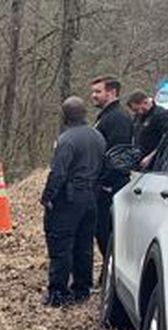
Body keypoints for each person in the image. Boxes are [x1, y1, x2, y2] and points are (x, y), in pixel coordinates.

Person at [41, 97, 106, 306]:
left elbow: (58, 172)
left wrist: (48, 196)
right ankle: (82, 288)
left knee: (61, 243)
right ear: (85, 113)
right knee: (84, 243)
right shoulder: (98, 136)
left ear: (65, 116)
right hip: (90, 197)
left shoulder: (66, 139)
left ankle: (58, 292)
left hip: (69, 198)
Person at [89, 75, 133, 259]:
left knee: (106, 230)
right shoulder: (106, 117)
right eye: (93, 92)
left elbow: (118, 154)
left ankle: (111, 271)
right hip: (101, 183)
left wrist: (106, 183)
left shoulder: (118, 118)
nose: (93, 95)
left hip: (111, 186)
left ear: (112, 92)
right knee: (100, 231)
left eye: (98, 91)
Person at [126, 90, 168, 169]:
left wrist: (151, 156)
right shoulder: (139, 117)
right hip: (141, 160)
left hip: (155, 161)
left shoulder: (160, 115)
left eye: (139, 109)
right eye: (135, 111)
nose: (139, 112)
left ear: (145, 102)